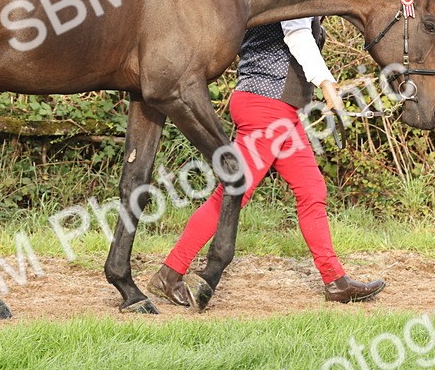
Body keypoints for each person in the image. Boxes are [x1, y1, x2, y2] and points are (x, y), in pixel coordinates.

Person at [148, 16, 385, 306]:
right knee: (232, 195)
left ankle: (335, 281)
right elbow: (297, 34)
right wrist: (325, 83)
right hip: (267, 107)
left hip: (277, 108)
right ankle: (170, 273)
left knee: (311, 190)